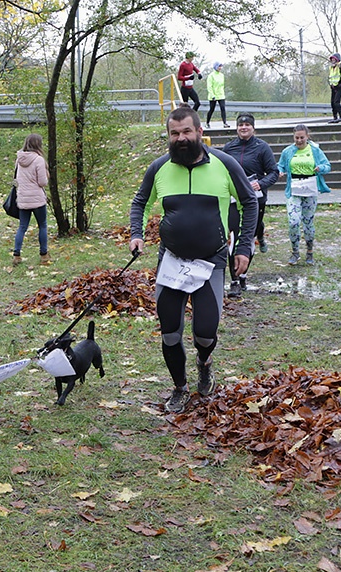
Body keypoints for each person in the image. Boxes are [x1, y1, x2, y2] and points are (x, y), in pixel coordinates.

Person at [129, 106, 258, 413]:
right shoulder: (159, 167)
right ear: (168, 136)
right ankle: (179, 387)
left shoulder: (224, 164)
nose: (181, 138)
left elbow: (248, 202)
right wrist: (137, 233)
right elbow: (140, 202)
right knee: (170, 331)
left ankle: (204, 361)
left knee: (205, 331)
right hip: (171, 260)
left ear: (200, 132)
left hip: (210, 260)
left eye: (187, 131)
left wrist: (243, 248)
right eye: (174, 134)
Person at [220, 112, 278, 296]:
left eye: (247, 125)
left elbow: (273, 172)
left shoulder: (262, 148)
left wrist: (260, 183)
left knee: (248, 236)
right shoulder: (229, 148)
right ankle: (235, 280)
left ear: (253, 128)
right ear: (236, 127)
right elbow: (219, 170)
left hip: (255, 199)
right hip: (233, 200)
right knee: (234, 237)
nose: (243, 127)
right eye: (240, 125)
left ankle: (243, 274)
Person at [277, 124, 331, 265]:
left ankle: (309, 252)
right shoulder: (288, 151)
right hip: (294, 189)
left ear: (307, 136)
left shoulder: (315, 150)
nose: (299, 140)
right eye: (297, 138)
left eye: (302, 137)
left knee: (308, 222)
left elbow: (327, 165)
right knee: (293, 221)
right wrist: (280, 171)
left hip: (310, 188)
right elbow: (280, 165)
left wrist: (320, 168)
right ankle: (295, 252)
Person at [12, 134, 50, 265]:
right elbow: (43, 182)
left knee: (22, 227)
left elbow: (16, 178)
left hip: (22, 198)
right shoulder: (38, 160)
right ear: (38, 144)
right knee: (42, 225)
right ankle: (44, 254)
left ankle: (16, 254)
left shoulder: (19, 160)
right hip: (37, 199)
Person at [205, 62, 228, 128]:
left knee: (223, 108)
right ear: (215, 67)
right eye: (219, 66)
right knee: (212, 109)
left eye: (221, 66)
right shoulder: (211, 76)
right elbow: (209, 86)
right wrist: (212, 95)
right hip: (213, 95)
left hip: (221, 95)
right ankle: (207, 122)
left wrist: (223, 94)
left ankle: (224, 123)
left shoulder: (222, 75)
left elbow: (222, 86)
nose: (220, 68)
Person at [328, 53, 341, 123]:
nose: (332, 60)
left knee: (336, 102)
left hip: (340, 86)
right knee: (332, 102)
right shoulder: (331, 68)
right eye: (332, 59)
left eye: (334, 59)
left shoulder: (340, 65)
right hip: (334, 87)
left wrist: (338, 83)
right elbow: (330, 77)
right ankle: (335, 117)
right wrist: (331, 84)